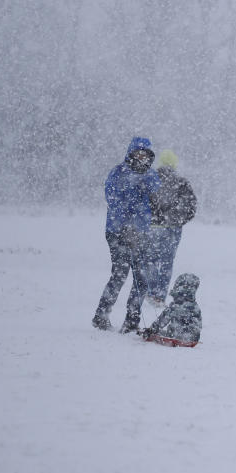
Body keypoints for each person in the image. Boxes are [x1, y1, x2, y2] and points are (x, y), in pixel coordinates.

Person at [92, 137, 160, 333]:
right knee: (120, 274)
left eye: (145, 154)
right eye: (138, 153)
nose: (141, 157)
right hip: (117, 231)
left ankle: (132, 320)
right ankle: (101, 315)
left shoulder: (151, 175)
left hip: (142, 234)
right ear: (131, 153)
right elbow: (113, 199)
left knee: (142, 278)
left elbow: (156, 199)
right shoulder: (118, 173)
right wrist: (127, 225)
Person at [147, 149, 197, 306]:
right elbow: (191, 206)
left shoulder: (150, 181)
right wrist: (179, 219)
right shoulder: (181, 182)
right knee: (167, 262)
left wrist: (149, 218)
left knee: (152, 260)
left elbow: (141, 203)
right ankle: (160, 296)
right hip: (173, 228)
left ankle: (150, 292)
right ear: (175, 164)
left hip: (153, 227)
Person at [139, 273, 202, 347]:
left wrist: (152, 330)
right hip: (193, 337)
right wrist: (194, 335)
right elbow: (198, 324)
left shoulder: (175, 306)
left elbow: (163, 320)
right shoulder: (195, 306)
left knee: (159, 331)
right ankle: (187, 336)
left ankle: (178, 335)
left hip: (177, 335)